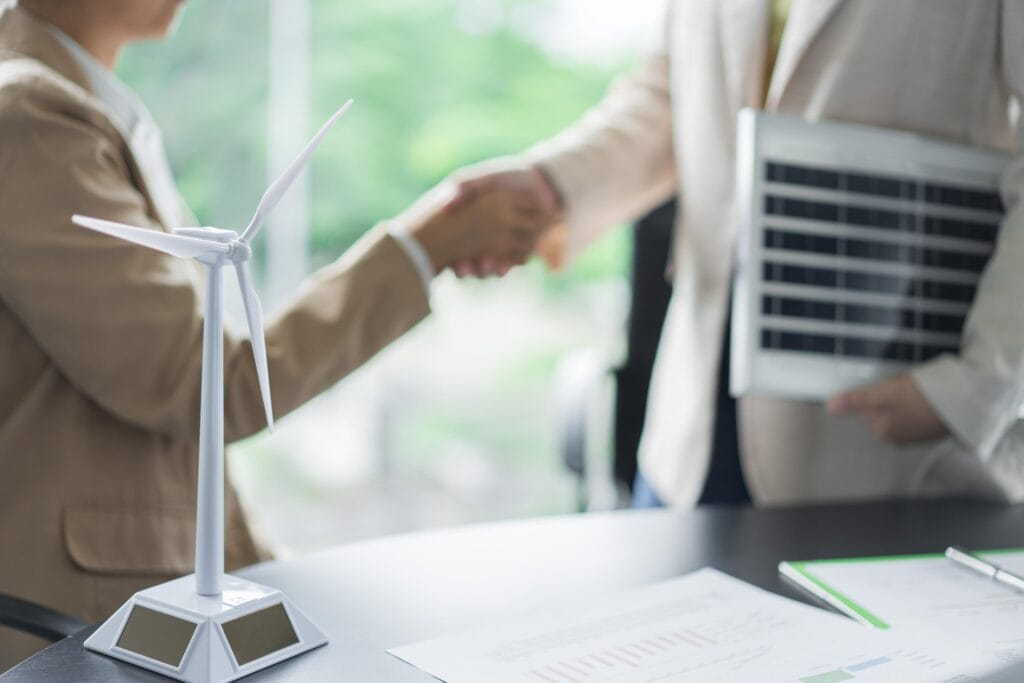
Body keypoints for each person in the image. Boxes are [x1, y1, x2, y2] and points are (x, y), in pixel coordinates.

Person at [0, 0, 543, 665]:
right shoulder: (28, 114)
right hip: (84, 624)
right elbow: (205, 381)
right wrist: (421, 248)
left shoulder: (81, 101)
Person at [449, 1, 1024, 508]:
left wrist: (976, 387)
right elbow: (673, 89)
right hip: (691, 422)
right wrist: (553, 184)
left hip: (891, 428)